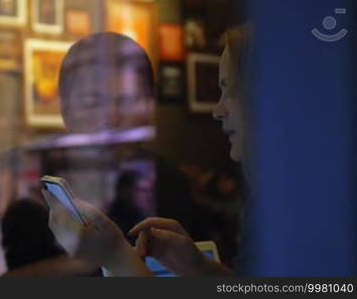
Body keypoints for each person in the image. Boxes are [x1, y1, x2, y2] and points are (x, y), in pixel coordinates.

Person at [44, 27, 249, 276]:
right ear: (64, 108)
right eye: (94, 102)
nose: (110, 118)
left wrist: (115, 257)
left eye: (126, 101)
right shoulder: (21, 187)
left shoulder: (170, 182)